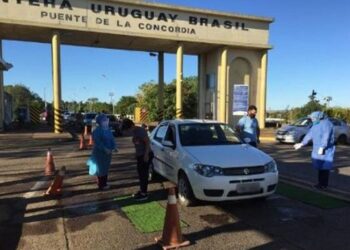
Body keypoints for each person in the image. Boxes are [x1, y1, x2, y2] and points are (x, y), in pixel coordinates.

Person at [294, 111, 335, 190]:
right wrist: (302, 143)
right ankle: (320, 183)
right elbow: (310, 134)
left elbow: (326, 136)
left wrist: (322, 147)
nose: (312, 119)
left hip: (326, 150)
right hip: (317, 148)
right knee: (320, 167)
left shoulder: (327, 124)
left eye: (313, 118)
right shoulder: (316, 124)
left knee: (325, 167)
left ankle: (324, 185)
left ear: (319, 117)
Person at [122, 118, 151, 201]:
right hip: (140, 155)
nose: (128, 131)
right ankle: (142, 191)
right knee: (140, 174)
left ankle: (144, 194)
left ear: (131, 125)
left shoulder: (140, 131)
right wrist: (137, 154)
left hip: (145, 155)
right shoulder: (134, 131)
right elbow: (138, 144)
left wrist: (146, 155)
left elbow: (147, 142)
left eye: (128, 129)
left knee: (143, 175)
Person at [87, 114, 117, 190]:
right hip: (99, 153)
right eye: (104, 120)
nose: (106, 121)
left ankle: (104, 183)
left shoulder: (108, 130)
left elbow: (112, 139)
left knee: (105, 168)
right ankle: (101, 185)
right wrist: (105, 149)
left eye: (106, 120)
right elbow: (97, 142)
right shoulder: (96, 131)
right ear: (99, 122)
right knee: (100, 169)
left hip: (108, 153)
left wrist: (114, 147)